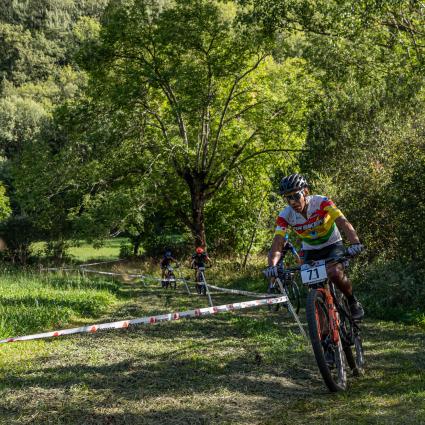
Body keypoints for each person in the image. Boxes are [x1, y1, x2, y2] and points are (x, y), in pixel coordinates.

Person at [266, 173, 364, 320]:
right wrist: (272, 266)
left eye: (295, 196)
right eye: (288, 198)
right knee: (313, 286)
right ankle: (324, 331)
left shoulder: (322, 202)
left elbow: (343, 222)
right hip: (310, 250)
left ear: (305, 192)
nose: (292, 202)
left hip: (332, 244)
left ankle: (352, 301)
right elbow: (278, 241)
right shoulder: (285, 215)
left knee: (335, 273)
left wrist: (355, 243)